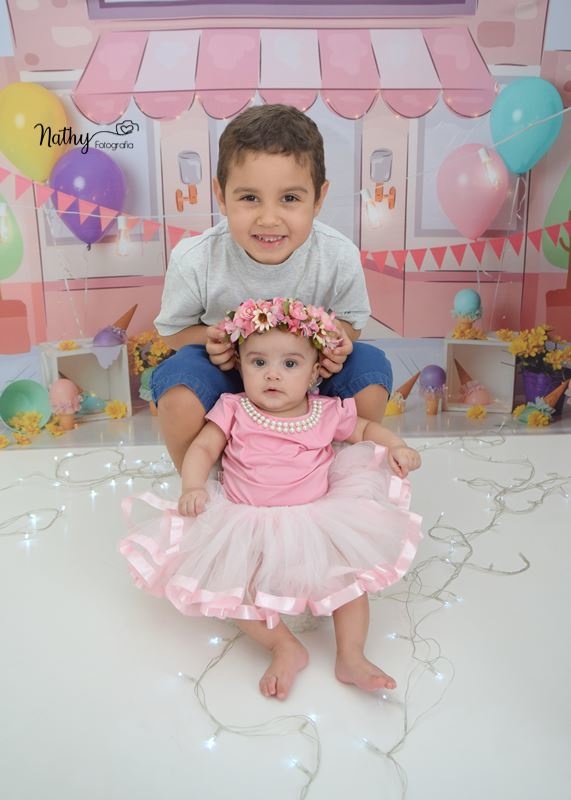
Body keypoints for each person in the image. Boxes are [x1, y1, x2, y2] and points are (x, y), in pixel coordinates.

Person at [121, 299, 422, 701]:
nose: (272, 374)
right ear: (240, 367)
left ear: (314, 373)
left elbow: (366, 430)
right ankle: (284, 646)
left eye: (290, 364)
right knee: (233, 587)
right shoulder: (234, 408)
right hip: (246, 519)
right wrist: (193, 486)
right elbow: (203, 448)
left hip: (315, 518)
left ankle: (351, 656)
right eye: (258, 363)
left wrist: (397, 446)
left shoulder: (325, 411)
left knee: (349, 582)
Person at [151, 104, 393, 473]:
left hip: (306, 373)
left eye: (290, 198)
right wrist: (214, 339)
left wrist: (335, 340)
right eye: (249, 198)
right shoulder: (196, 258)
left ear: (319, 198)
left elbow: (352, 322)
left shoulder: (337, 254)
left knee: (368, 370)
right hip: (228, 370)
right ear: (221, 195)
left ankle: (344, 474)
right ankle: (202, 483)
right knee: (178, 386)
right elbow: (172, 331)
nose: (268, 219)